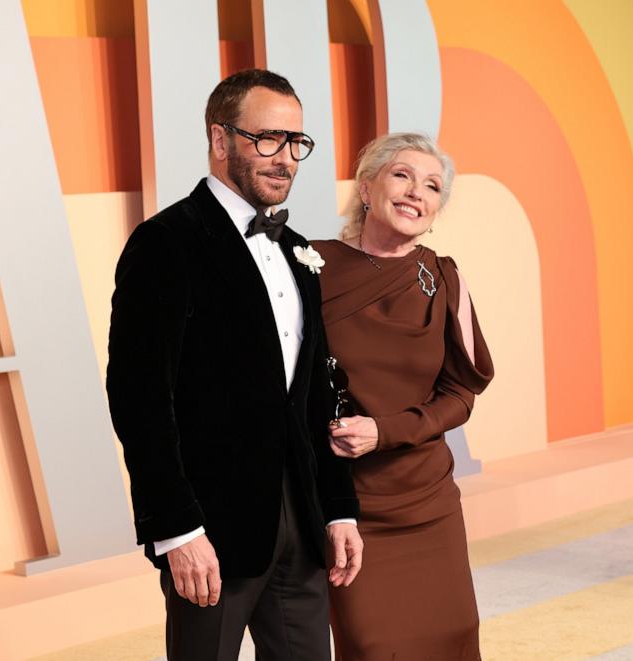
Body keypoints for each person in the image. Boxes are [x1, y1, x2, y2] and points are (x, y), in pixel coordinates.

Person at [106, 69, 363, 661]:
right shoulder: (166, 242)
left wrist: (339, 508)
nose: (286, 159)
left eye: (296, 142)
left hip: (301, 524)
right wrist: (176, 529)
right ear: (220, 141)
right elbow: (139, 399)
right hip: (210, 531)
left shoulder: (299, 252)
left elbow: (313, 398)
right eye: (267, 139)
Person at [311, 132, 494, 660]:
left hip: (427, 500)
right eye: (402, 176)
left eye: (432, 186)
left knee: (452, 637)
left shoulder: (444, 277)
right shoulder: (311, 267)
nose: (417, 192)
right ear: (366, 188)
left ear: (437, 209)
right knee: (373, 645)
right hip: (348, 506)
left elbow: (461, 393)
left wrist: (385, 431)